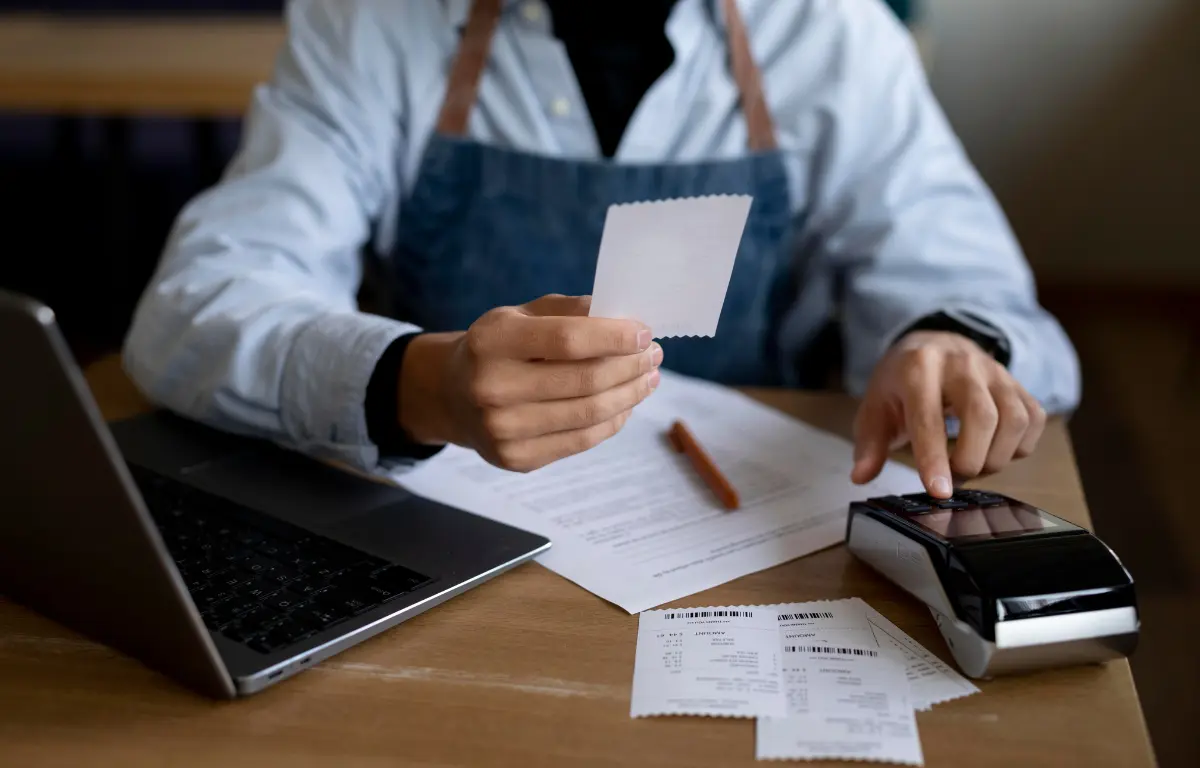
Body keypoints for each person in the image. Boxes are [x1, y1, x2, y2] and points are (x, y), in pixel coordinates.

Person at [122, 0, 1080, 500]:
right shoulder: (373, 23)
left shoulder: (832, 34)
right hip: (440, 536)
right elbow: (191, 310)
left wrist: (950, 344)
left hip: (745, 535)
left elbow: (984, 296)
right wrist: (419, 385)